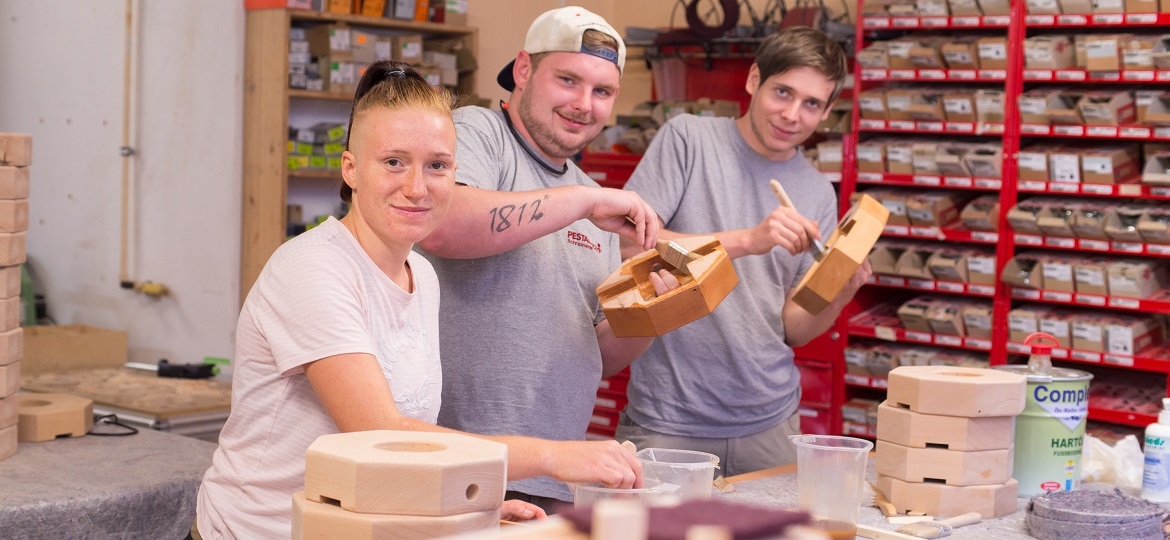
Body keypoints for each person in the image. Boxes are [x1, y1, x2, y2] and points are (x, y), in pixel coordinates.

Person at [195, 62, 644, 540]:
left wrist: (474, 508)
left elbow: (411, 445)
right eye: (393, 162)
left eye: (437, 166)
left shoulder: (422, 276)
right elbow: (381, 434)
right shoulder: (313, 269)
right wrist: (556, 455)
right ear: (350, 169)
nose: (416, 187)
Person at [416, 7, 675, 512]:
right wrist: (581, 201)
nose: (584, 104)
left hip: (554, 480)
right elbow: (443, 224)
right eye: (568, 80)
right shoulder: (477, 133)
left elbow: (598, 356)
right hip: (455, 468)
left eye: (602, 92)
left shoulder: (593, 200)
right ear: (523, 70)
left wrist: (650, 314)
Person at [615, 26, 872, 477]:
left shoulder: (816, 191)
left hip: (770, 422)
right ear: (754, 80)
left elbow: (794, 327)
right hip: (670, 417)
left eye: (812, 103)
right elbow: (628, 243)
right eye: (782, 92)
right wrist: (748, 242)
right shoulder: (689, 140)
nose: (792, 115)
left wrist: (841, 291)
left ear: (829, 110)